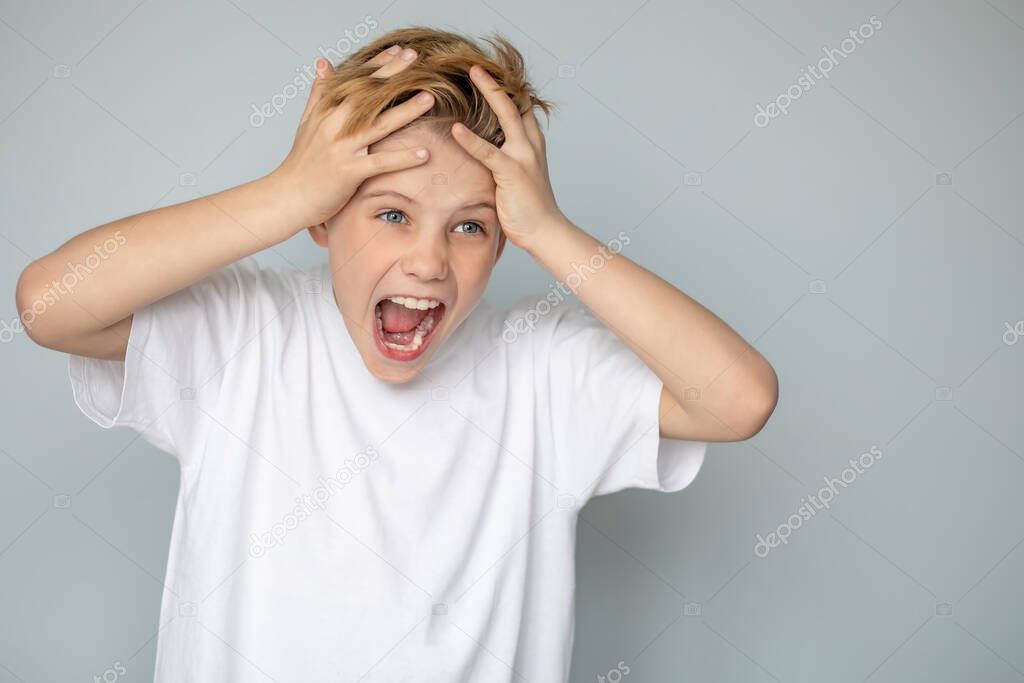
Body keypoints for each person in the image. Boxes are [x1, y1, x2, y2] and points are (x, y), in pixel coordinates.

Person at [15, 25, 778, 683]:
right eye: (391, 213)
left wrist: (551, 230)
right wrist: (285, 192)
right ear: (324, 215)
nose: (428, 261)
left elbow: (738, 398)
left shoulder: (543, 369)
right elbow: (49, 304)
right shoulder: (243, 334)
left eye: (471, 226)